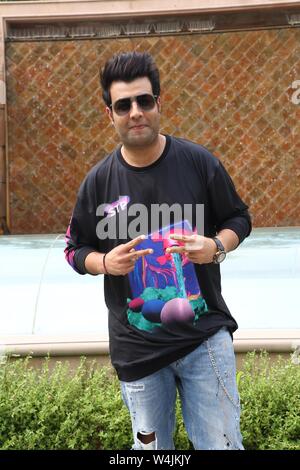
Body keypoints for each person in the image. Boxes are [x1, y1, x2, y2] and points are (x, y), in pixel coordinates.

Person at [64, 51, 251, 450]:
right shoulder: (98, 183)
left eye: (144, 101)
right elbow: (73, 248)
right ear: (109, 115)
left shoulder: (198, 163)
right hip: (139, 351)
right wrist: (104, 262)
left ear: (158, 104)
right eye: (123, 105)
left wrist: (215, 246)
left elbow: (239, 219)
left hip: (204, 341)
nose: (135, 112)